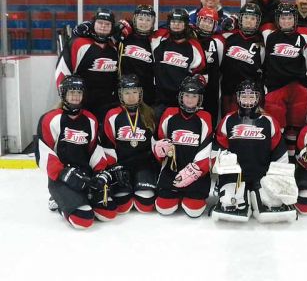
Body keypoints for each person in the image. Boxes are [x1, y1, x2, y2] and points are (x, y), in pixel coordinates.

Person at [36, 75, 117, 229]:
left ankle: (80, 197)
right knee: (83, 219)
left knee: (109, 212)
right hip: (61, 178)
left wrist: (100, 173)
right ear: (63, 94)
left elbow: (94, 150)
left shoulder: (90, 119)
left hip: (86, 176)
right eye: (71, 92)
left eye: (78, 93)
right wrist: (64, 174)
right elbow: (43, 153)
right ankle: (57, 199)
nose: (75, 96)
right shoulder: (49, 119)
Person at [211, 79, 297, 223]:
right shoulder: (228, 120)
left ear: (258, 98)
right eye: (244, 96)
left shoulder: (269, 121)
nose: (248, 100)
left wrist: (276, 177)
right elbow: (218, 147)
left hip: (261, 175)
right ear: (237, 97)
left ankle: (258, 193)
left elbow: (280, 152)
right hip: (235, 177)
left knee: (272, 204)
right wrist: (224, 165)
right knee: (230, 202)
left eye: (252, 96)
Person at [154, 76, 213, 218]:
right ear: (181, 96)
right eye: (187, 95)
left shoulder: (205, 116)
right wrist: (159, 149)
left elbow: (208, 147)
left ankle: (190, 191)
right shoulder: (169, 113)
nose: (190, 99)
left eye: (194, 96)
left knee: (194, 210)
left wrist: (195, 171)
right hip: (171, 169)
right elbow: (159, 139)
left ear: (199, 98)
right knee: (164, 207)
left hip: (195, 173)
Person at [261, 2, 307, 162]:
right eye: (282, 18)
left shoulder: (303, 36)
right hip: (276, 88)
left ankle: (291, 159)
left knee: (294, 126)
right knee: (276, 126)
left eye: (289, 18)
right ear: (277, 20)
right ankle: (277, 158)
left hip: (298, 88)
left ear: (295, 19)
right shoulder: (269, 36)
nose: (286, 21)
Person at [100, 74, 159, 214]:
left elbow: (155, 143)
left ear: (140, 93)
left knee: (145, 205)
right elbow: (107, 144)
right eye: (127, 92)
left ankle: (140, 179)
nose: (131, 96)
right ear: (121, 94)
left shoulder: (149, 114)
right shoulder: (112, 115)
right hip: (121, 165)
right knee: (123, 206)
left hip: (144, 164)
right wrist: (114, 167)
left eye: (134, 92)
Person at [55, 8, 119, 122]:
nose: (103, 26)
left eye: (107, 24)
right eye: (100, 23)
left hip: (107, 104)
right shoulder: (78, 43)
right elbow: (62, 69)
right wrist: (65, 97)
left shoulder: (114, 47)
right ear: (93, 24)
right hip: (81, 102)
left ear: (112, 27)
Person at [151, 8, 206, 118]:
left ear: (186, 24)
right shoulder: (159, 38)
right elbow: (140, 31)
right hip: (159, 101)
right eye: (173, 22)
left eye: (180, 22)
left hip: (183, 102)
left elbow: (201, 73)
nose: (176, 25)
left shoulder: (194, 46)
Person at [220, 3, 265, 115]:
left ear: (258, 21)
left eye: (253, 18)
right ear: (240, 18)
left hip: (249, 95)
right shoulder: (228, 37)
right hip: (228, 92)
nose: (249, 21)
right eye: (246, 17)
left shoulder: (261, 43)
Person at [117, 4, 156, 106]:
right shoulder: (124, 36)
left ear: (153, 22)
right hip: (123, 93)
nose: (144, 23)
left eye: (148, 20)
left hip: (147, 96)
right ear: (134, 19)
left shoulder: (156, 41)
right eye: (141, 19)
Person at [193, 7, 225, 129]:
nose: (206, 24)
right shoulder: (190, 38)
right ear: (198, 20)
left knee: (209, 121)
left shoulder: (218, 42)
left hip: (211, 90)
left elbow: (220, 65)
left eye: (210, 21)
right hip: (192, 89)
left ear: (215, 25)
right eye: (204, 20)